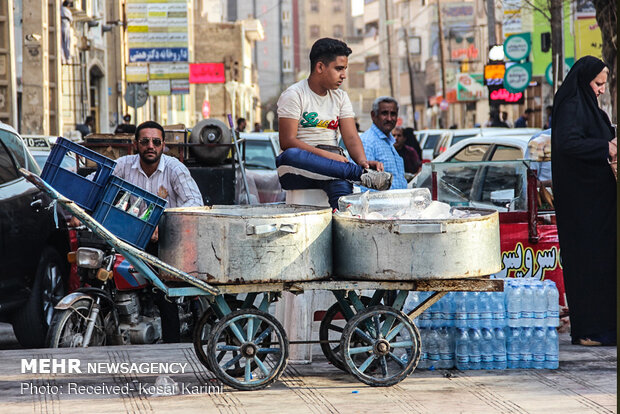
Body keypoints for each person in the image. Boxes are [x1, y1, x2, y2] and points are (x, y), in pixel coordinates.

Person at [85, 120, 203, 343]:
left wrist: (164, 223)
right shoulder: (123, 165)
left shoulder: (174, 169)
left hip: (166, 241)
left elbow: (194, 203)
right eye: (145, 141)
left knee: (163, 292)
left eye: (156, 142)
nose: (151, 146)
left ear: (163, 145)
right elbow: (94, 183)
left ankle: (171, 346)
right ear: (135, 144)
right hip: (126, 239)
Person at [275, 37, 391, 209]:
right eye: (339, 69)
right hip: (297, 169)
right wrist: (328, 157)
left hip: (334, 168)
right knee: (290, 155)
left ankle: (359, 181)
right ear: (320, 67)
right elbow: (287, 141)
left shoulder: (340, 97)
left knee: (344, 205)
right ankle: (360, 175)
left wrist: (363, 162)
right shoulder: (294, 95)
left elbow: (351, 137)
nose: (344, 75)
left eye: (345, 69)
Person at [551, 55, 616, 346]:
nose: (601, 89)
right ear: (584, 80)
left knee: (604, 265)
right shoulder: (573, 105)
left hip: (598, 205)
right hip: (582, 208)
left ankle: (604, 327)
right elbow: (569, 143)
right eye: (598, 83)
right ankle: (589, 330)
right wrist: (607, 146)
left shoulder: (589, 108)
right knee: (589, 265)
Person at [359, 97, 407, 190]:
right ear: (373, 115)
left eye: (393, 114)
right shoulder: (368, 142)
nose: (389, 118)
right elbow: (363, 187)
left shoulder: (388, 142)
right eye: (384, 113)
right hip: (380, 204)